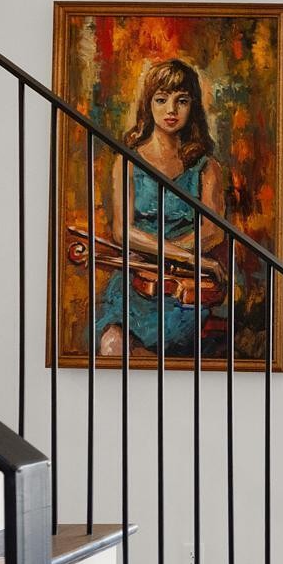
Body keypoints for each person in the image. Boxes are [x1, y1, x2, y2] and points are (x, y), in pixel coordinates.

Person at [96, 57, 228, 358]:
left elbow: (212, 232)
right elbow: (123, 233)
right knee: (113, 345)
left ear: (193, 107)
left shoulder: (207, 167)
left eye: (181, 100)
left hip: (184, 284)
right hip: (136, 281)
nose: (171, 110)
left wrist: (170, 258)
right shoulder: (127, 162)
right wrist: (188, 256)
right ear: (148, 104)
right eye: (161, 99)